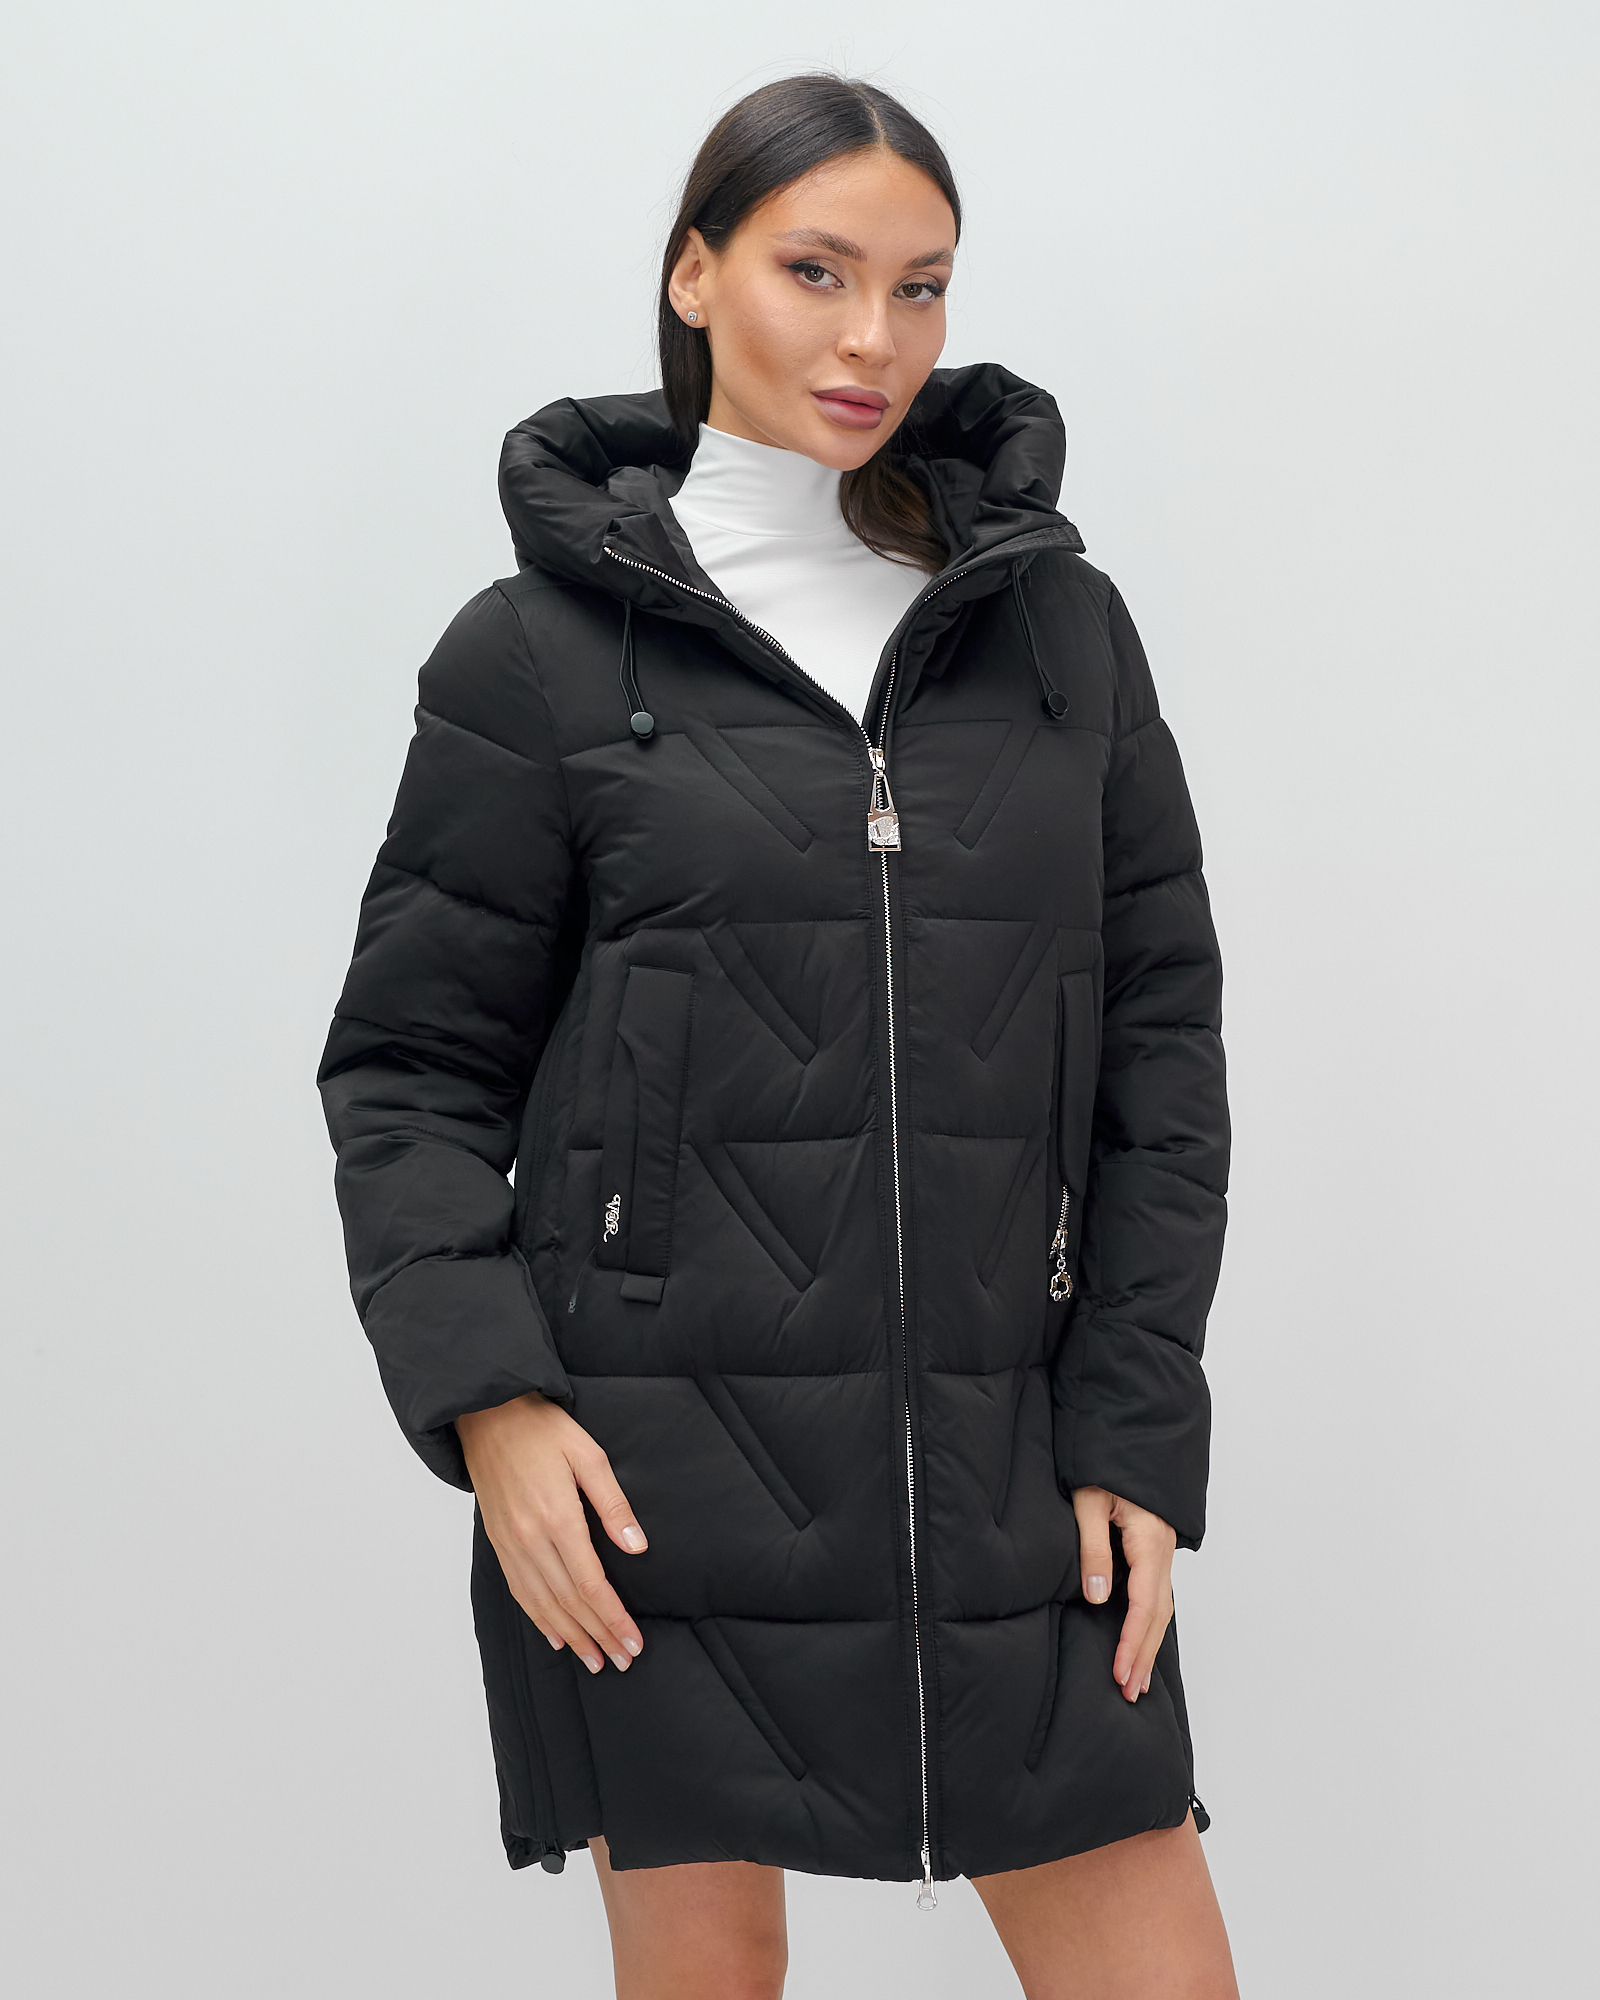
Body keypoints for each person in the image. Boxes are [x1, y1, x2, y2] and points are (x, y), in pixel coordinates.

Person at [318, 71, 1237, 2000]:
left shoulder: (1057, 635)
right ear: (694, 274)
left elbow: (1162, 1054)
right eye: (816, 271)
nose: (871, 337)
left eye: (921, 286)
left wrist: (1139, 1430)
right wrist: (493, 1404)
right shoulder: (541, 653)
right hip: (651, 1470)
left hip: (1015, 1459)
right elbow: (410, 1071)